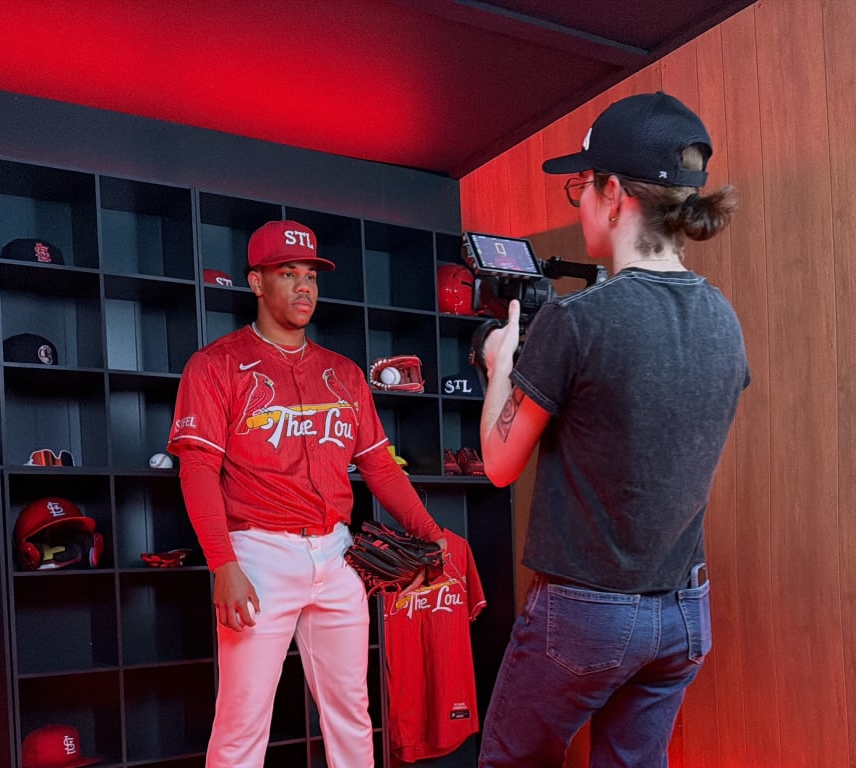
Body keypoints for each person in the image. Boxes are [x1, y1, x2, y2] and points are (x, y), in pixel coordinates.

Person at [475, 91, 749, 766]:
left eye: (581, 186)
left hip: (586, 617)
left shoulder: (578, 320)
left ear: (614, 193)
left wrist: (501, 367)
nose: (580, 202)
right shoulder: (724, 319)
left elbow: (498, 463)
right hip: (684, 612)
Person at [166, 219, 446, 768]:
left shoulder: (343, 374)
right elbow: (197, 470)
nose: (303, 286)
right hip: (258, 554)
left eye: (310, 275)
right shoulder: (215, 364)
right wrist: (221, 563)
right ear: (255, 281)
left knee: (351, 714)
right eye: (286, 272)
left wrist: (432, 533)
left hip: (338, 555)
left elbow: (380, 470)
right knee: (243, 718)